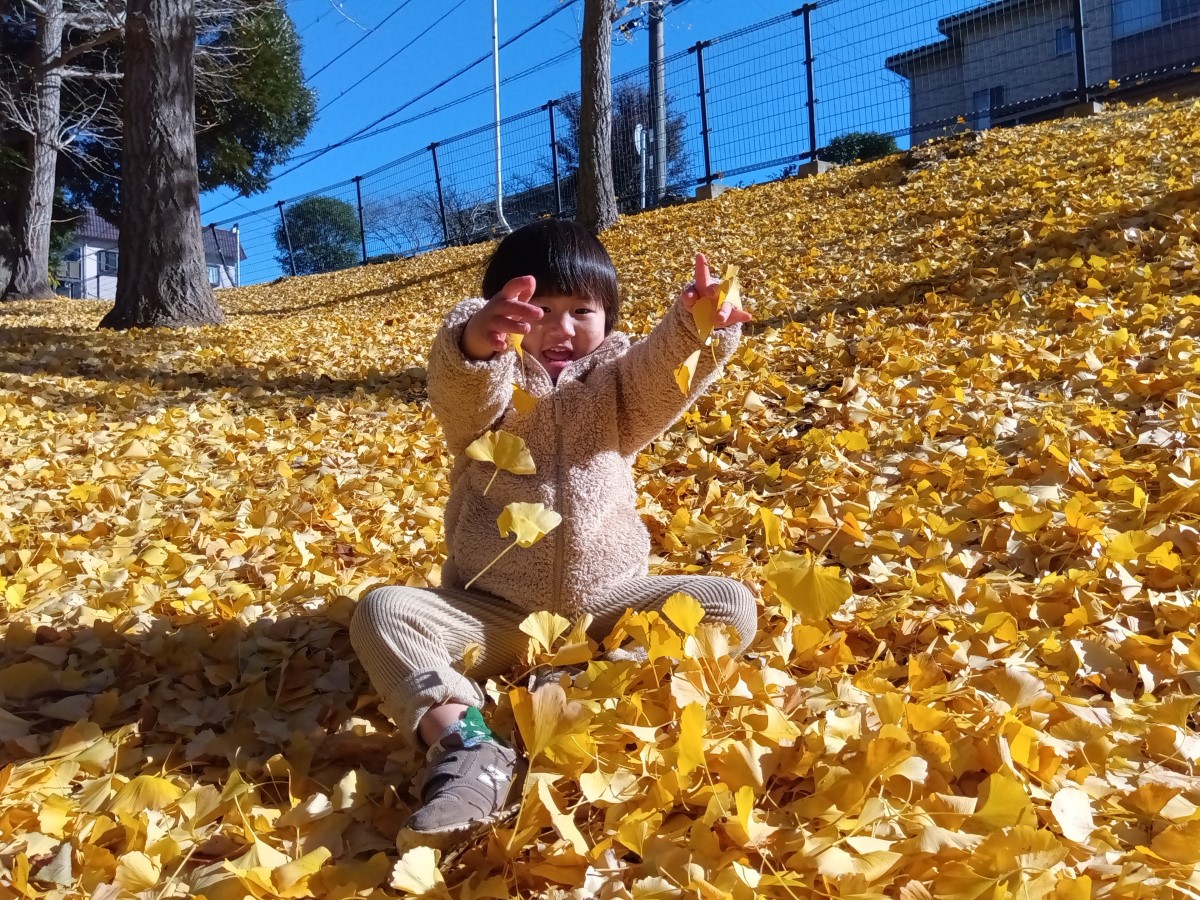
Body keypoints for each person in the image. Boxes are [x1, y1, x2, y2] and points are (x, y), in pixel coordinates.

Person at [350, 219, 756, 836]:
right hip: (498, 615)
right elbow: (461, 396)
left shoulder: (617, 390)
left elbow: (661, 376)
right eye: (538, 309)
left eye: (581, 310)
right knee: (381, 612)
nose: (560, 328)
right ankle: (470, 746)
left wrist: (699, 327)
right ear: (504, 313)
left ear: (607, 319)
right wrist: (476, 343)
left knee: (728, 601)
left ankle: (590, 681)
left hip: (608, 607)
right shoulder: (494, 389)